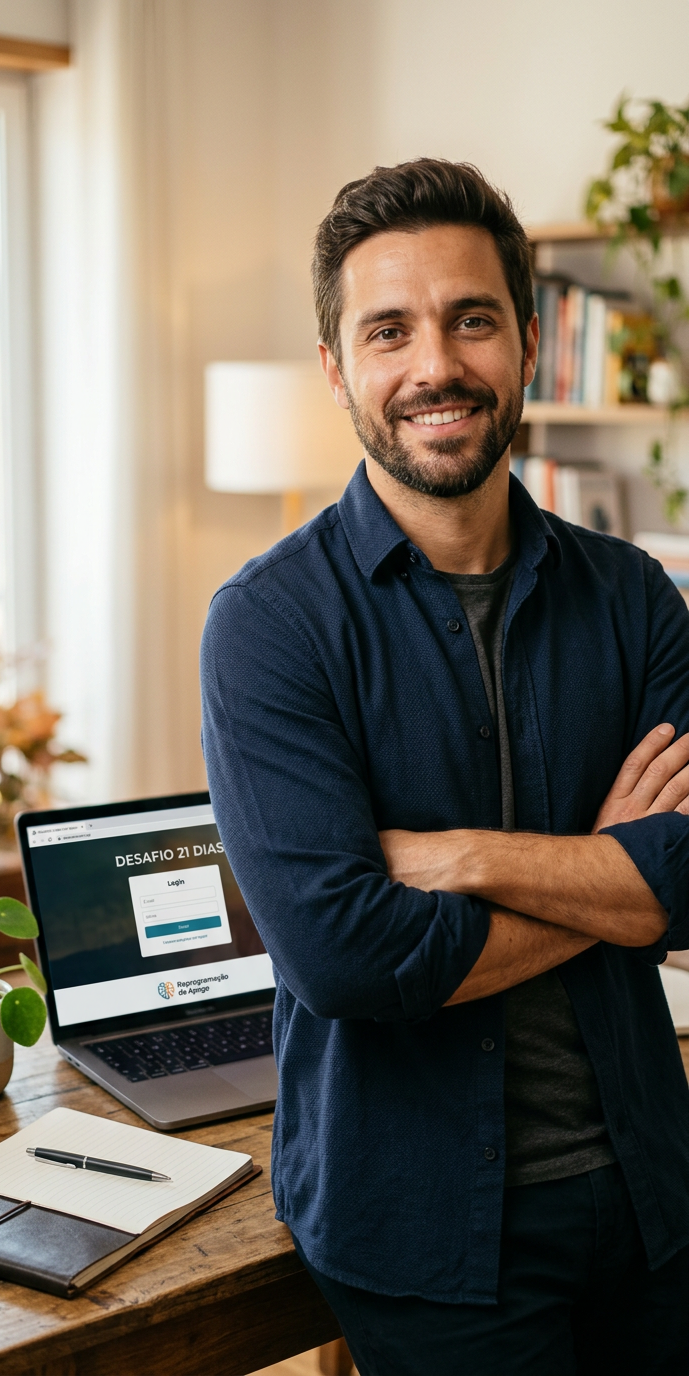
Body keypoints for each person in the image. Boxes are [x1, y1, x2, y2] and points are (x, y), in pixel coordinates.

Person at [200, 159, 689, 1375]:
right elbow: (344, 955)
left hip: (655, 1196)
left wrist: (465, 857)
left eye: (472, 318)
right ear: (336, 369)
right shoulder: (267, 625)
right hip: (419, 1230)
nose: (436, 365)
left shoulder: (634, 595)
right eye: (389, 330)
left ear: (526, 342)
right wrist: (611, 884)